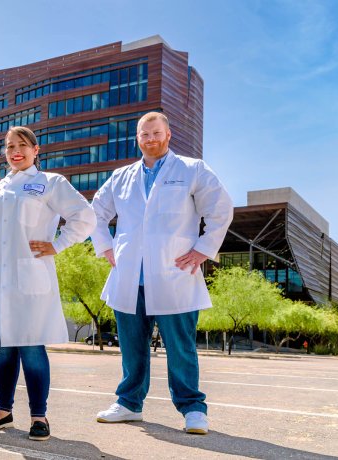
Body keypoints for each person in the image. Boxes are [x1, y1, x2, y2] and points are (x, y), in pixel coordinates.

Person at [90, 112, 233, 434]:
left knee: (181, 348)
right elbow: (95, 214)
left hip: (175, 273)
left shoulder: (192, 169)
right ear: (137, 138)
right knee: (131, 347)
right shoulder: (121, 176)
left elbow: (220, 209)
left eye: (156, 133)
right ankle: (128, 404)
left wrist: (203, 249)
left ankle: (192, 408)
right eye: (144, 134)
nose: (150, 139)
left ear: (168, 134)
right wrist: (107, 247)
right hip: (129, 275)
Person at [0, 126, 96, 441]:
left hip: (31, 277)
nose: (16, 151)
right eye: (10, 146)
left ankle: (39, 417)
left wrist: (58, 244)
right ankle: (3, 413)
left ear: (36, 150)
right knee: (4, 347)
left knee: (31, 346)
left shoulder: (49, 183)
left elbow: (85, 216)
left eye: (23, 145)